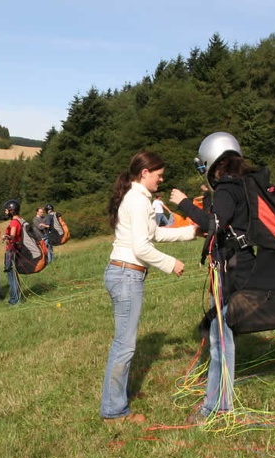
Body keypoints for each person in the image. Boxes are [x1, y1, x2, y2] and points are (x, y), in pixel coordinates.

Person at [101, 151, 197, 424]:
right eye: (158, 174)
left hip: (122, 273)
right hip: (126, 276)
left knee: (123, 343)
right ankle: (114, 410)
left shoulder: (136, 198)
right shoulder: (138, 201)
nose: (161, 179)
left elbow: (153, 234)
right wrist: (171, 264)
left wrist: (190, 232)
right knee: (125, 345)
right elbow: (141, 247)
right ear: (145, 173)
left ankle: (117, 397)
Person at [170, 132, 256, 420]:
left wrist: (184, 204)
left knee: (221, 341)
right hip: (238, 265)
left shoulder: (228, 188)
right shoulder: (241, 185)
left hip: (232, 270)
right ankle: (218, 401)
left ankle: (217, 406)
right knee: (221, 335)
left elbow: (212, 224)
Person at [3, 199, 23, 305]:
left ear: (12, 210)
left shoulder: (14, 222)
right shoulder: (20, 219)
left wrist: (6, 236)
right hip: (16, 250)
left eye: (7, 210)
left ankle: (15, 300)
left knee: (11, 275)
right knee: (14, 274)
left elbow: (13, 235)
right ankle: (18, 297)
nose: (5, 212)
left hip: (12, 251)